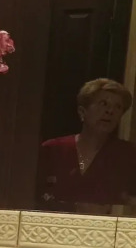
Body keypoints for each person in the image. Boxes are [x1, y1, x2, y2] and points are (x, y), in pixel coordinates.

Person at [37, 78, 136, 215]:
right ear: (82, 112)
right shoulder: (52, 149)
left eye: (118, 107)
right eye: (103, 104)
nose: (110, 111)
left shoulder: (129, 155)